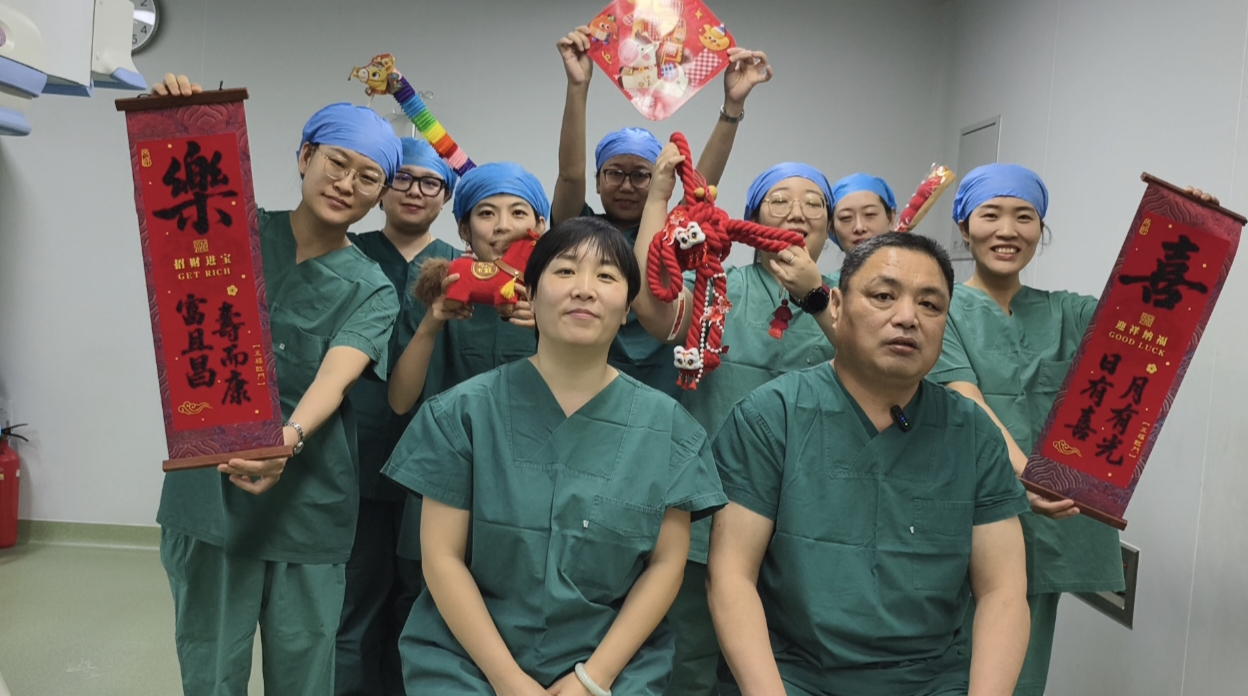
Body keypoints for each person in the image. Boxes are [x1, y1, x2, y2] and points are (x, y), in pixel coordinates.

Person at [381, 217, 727, 694]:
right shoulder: (462, 414)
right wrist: (508, 681)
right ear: (529, 292)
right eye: (565, 271)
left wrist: (593, 678)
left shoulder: (668, 430)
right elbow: (442, 558)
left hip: (611, 670)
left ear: (627, 308)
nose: (584, 289)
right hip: (467, 665)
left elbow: (666, 566)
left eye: (606, 276)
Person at [150, 74, 401, 695]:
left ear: (379, 196)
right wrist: (178, 123)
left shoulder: (372, 288)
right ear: (305, 156)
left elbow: (336, 376)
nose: (346, 183)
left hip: (309, 505)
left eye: (368, 177)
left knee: (303, 675)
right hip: (210, 493)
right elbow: (177, 203)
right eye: (337, 162)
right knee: (210, 670)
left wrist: (287, 439)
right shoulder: (230, 236)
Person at [708, 232, 1032, 696]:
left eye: (930, 305)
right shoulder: (772, 417)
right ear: (837, 306)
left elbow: (1003, 592)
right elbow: (730, 576)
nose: (907, 318)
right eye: (883, 296)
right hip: (795, 677)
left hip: (932, 683)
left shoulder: (973, 434)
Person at [928, 163, 1125, 696]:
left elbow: (1146, 317)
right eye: (991, 215)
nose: (1007, 230)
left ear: (1041, 228)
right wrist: (1029, 475)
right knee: (940, 666)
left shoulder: (1068, 313)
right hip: (961, 512)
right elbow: (963, 396)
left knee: (1021, 675)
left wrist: (1188, 228)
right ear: (964, 227)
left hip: (1044, 527)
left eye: (1024, 216)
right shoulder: (938, 307)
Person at [551, 25, 772, 400]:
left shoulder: (671, 232)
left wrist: (732, 108)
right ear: (597, 181)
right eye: (614, 173)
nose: (626, 185)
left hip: (662, 383)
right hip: (586, 376)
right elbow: (569, 176)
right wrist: (577, 86)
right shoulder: (579, 230)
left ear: (659, 182)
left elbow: (702, 184)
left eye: (641, 176)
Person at [384, 161, 549, 602]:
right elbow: (399, 401)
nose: (503, 225)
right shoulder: (443, 290)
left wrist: (548, 327)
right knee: (433, 613)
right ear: (463, 229)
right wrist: (431, 323)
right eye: (486, 213)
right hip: (445, 481)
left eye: (518, 212)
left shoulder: (558, 297)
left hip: (528, 486)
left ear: (540, 226)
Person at [336, 137, 460, 696]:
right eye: (402, 178)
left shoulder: (465, 269)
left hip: (437, 463)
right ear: (382, 189)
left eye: (430, 182)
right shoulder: (347, 253)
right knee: (354, 598)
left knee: (421, 601)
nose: (414, 191)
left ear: (446, 196)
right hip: (354, 454)